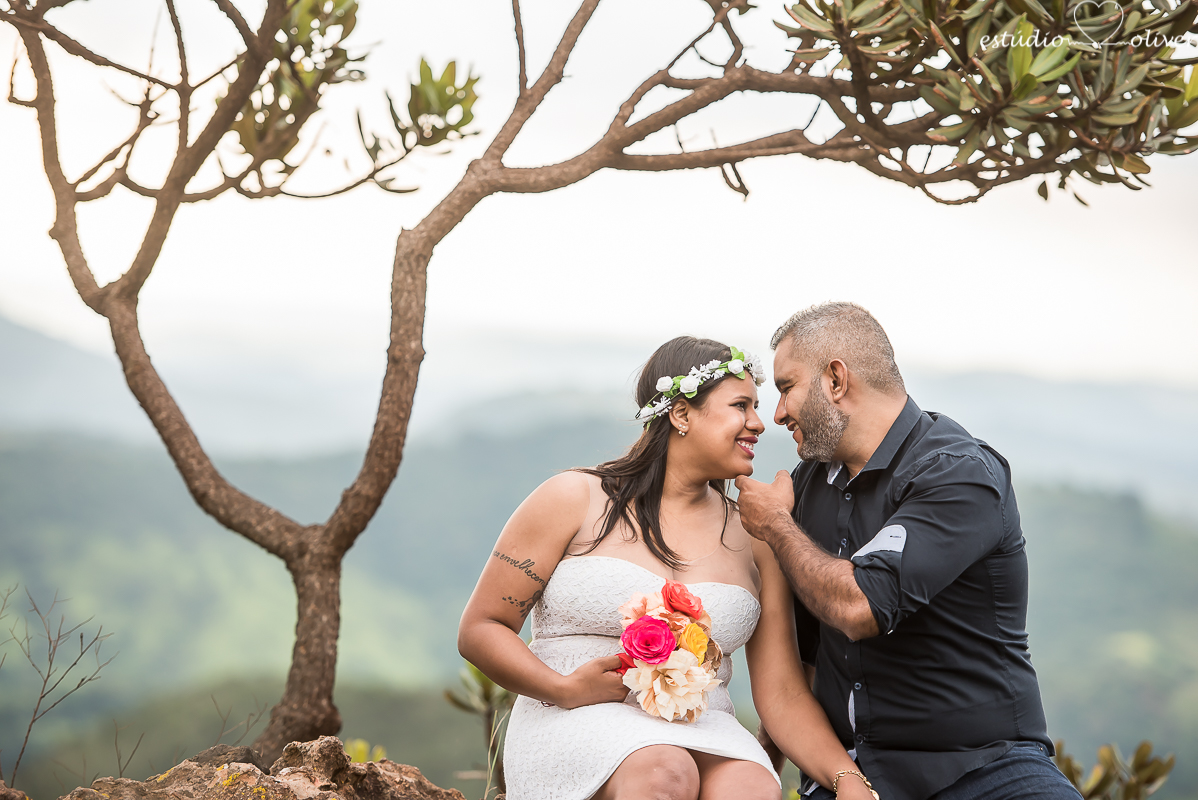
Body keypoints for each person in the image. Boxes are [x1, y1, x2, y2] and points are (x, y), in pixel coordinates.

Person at [458, 336, 879, 800]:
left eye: (756, 406)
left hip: (705, 726)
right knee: (665, 771)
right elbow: (482, 627)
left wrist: (848, 780)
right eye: (741, 405)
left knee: (753, 788)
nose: (759, 423)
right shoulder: (572, 498)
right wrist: (561, 688)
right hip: (573, 717)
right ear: (680, 414)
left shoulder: (756, 535)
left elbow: (781, 692)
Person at [735, 302, 1082, 800]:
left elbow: (859, 606)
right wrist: (763, 772)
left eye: (787, 387)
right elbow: (804, 664)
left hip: (985, 768)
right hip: (850, 774)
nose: (778, 413)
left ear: (836, 380)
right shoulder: (808, 484)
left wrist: (775, 525)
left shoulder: (958, 472)